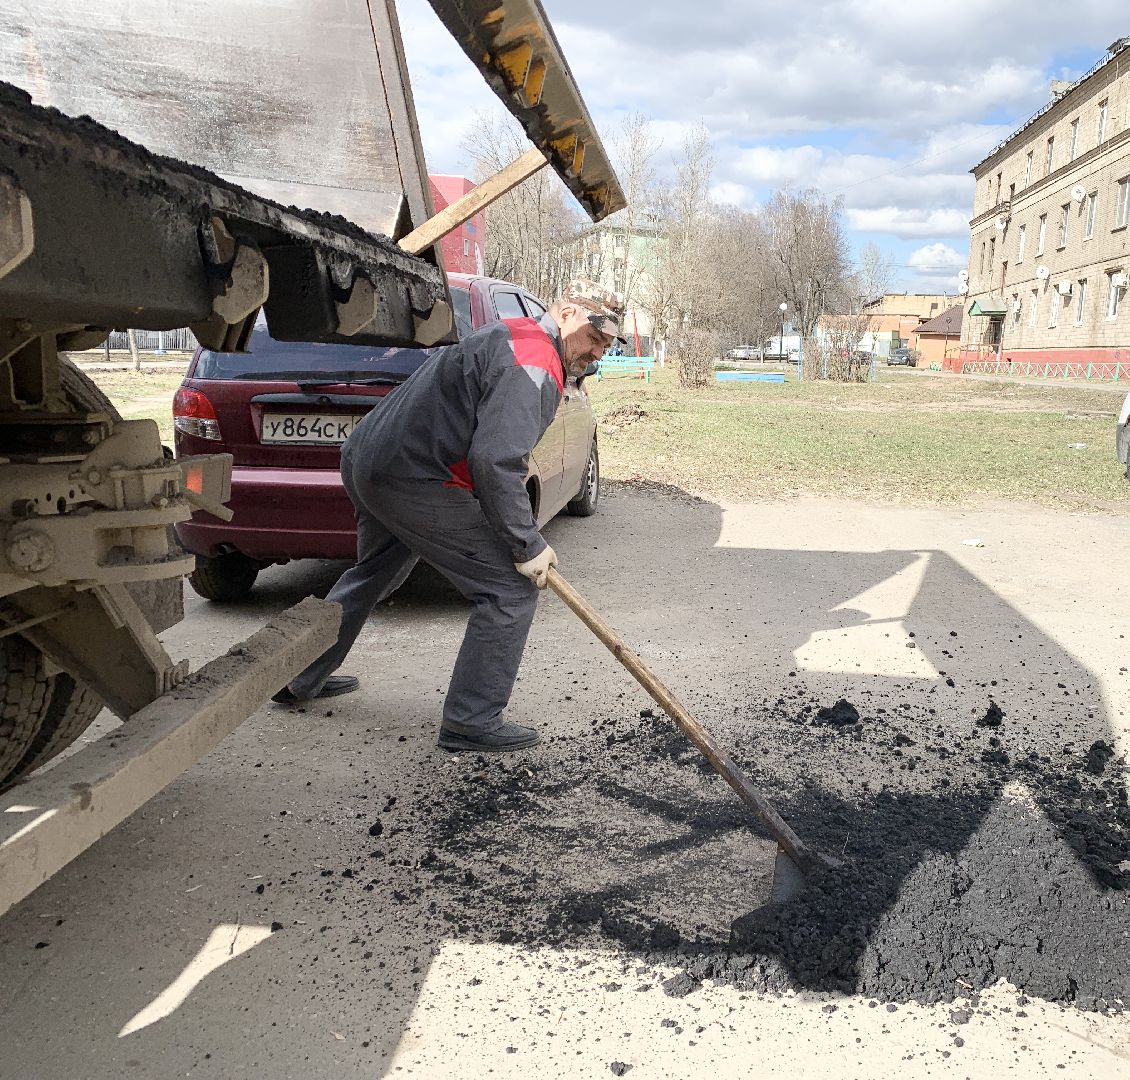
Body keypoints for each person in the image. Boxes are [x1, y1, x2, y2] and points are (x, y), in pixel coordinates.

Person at [273, 279, 625, 753]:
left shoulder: (517, 332)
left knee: (376, 572)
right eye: (593, 336)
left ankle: (299, 672)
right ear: (565, 314)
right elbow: (496, 461)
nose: (597, 352)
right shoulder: (536, 362)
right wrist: (526, 544)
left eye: (605, 344)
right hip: (413, 475)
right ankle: (471, 721)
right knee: (509, 589)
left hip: (371, 458)